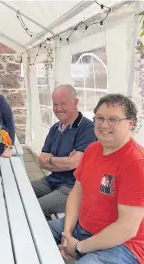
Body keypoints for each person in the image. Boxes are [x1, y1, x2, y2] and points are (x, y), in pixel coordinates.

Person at [49, 94, 144, 264]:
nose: (104, 124)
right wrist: (67, 234)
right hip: (83, 227)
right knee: (32, 232)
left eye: (113, 119)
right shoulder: (93, 149)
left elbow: (126, 228)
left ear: (130, 123)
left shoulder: (139, 164)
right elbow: (76, 193)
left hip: (126, 246)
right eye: (99, 118)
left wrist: (79, 247)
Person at [31, 84, 96, 218]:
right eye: (55, 104)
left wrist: (51, 159)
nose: (58, 109)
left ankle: (45, 235)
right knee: (19, 191)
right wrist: (64, 161)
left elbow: (72, 163)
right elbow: (41, 161)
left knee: (34, 208)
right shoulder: (55, 128)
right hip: (51, 181)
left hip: (72, 188)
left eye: (63, 104)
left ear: (75, 102)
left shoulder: (88, 128)